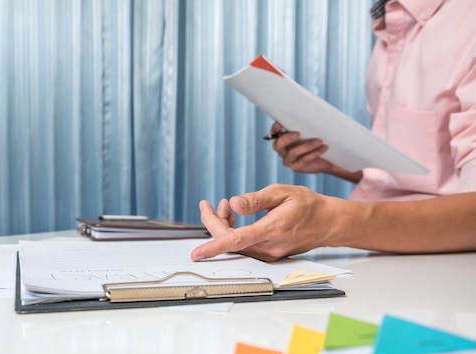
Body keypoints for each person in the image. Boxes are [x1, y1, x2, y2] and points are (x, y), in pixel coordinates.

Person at [191, 0, 476, 263]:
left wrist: (331, 222)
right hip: (378, 257)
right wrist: (338, 162)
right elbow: (433, 178)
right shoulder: (391, 22)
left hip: (444, 274)